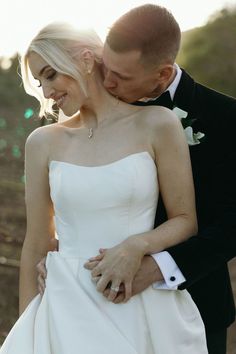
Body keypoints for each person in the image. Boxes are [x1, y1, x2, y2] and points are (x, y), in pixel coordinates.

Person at [0, 20, 208, 354]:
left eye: (50, 74)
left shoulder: (158, 123)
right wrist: (29, 328)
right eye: (39, 82)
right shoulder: (42, 142)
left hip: (140, 300)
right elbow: (36, 243)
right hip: (65, 308)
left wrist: (135, 246)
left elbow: (185, 220)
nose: (46, 91)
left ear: (84, 59)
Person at [81, 4, 235, 354]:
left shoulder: (227, 119)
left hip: (193, 302)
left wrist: (158, 267)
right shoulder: (93, 111)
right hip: (100, 304)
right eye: (106, 67)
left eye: (122, 76)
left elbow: (232, 223)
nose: (107, 83)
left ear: (163, 75)